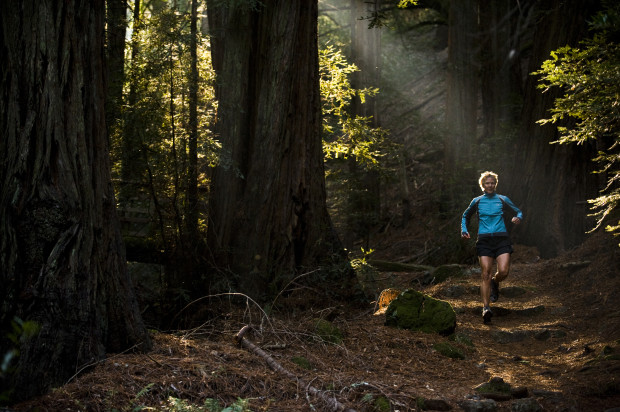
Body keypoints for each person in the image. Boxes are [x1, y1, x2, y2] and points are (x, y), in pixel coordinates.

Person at [461, 171, 523, 323]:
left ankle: (496, 282)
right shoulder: (477, 201)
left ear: (495, 184)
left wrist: (518, 217)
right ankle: (486, 308)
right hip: (484, 241)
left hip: (502, 240)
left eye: (492, 183)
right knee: (485, 274)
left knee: (503, 271)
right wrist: (464, 229)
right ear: (482, 185)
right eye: (487, 183)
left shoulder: (502, 199)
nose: (490, 186)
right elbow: (465, 216)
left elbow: (518, 211)